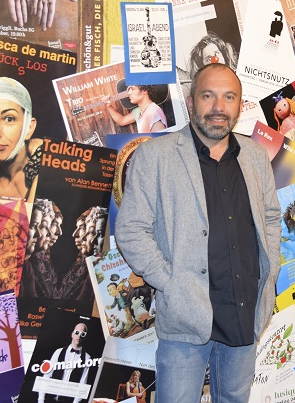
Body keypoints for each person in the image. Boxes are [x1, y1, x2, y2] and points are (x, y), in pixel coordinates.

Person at [115, 63, 281, 400]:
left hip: (244, 312)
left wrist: (270, 269)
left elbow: (271, 217)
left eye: (229, 97)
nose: (219, 107)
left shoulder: (255, 155)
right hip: (185, 317)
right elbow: (130, 229)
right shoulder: (155, 156)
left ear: (239, 104)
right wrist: (169, 282)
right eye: (208, 96)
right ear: (191, 102)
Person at [36, 323, 93, 403]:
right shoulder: (58, 352)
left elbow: (83, 384)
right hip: (50, 399)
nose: (79, 336)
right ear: (72, 334)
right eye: (77, 332)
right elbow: (47, 376)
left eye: (82, 334)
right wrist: (41, 400)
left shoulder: (87, 358)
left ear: (85, 337)